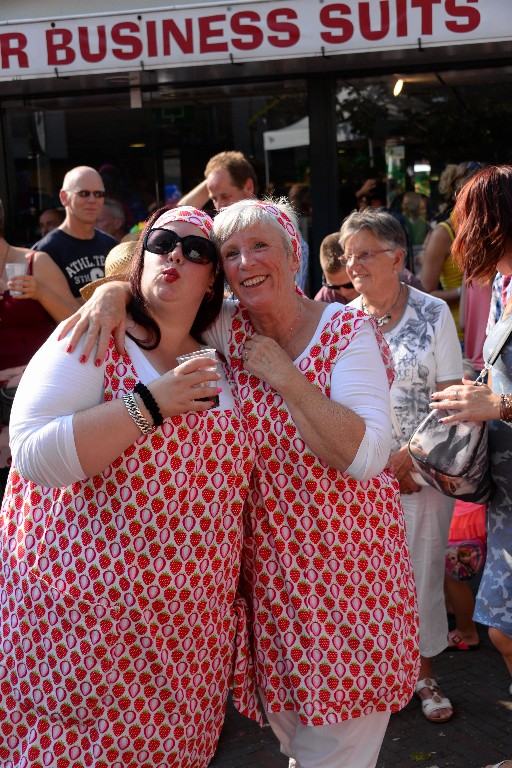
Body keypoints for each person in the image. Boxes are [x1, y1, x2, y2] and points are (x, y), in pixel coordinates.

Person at [59, 197, 419, 768]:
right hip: (267, 585)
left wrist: (285, 376)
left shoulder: (346, 330)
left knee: (340, 745)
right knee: (296, 740)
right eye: (230, 253)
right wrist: (110, 292)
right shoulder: (228, 325)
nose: (246, 261)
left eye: (260, 247)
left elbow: (367, 456)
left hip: (346, 580)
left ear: (292, 254)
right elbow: (160, 288)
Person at [0, 206, 261, 768]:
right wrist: (149, 404)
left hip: (188, 636)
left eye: (197, 251)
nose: (177, 256)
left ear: (214, 275)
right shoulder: (96, 334)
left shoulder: (225, 349)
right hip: (89, 630)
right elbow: (34, 455)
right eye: (164, 242)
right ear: (141, 255)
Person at [340, 207, 463, 724]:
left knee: (421, 573)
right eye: (348, 257)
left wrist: (409, 457)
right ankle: (378, 677)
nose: (354, 266)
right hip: (361, 477)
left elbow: (451, 398)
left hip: (421, 474)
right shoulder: (344, 322)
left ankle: (424, 675)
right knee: (366, 580)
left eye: (364, 254)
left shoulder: (434, 314)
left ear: (396, 257)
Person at [430, 164, 512, 711]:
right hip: (508, 488)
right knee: (503, 628)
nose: (458, 239)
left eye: (467, 222)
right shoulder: (504, 281)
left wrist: (498, 404)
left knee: (503, 628)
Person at [0, 198, 80, 499]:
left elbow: (75, 317)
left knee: (32, 486)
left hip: (33, 393)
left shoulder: (35, 261)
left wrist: (39, 291)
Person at [178, 150, 310, 292]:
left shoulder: (285, 233)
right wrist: (214, 174)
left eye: (226, 196)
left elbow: (287, 299)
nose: (219, 206)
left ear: (248, 186)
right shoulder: (219, 237)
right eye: (214, 199)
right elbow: (179, 214)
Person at [418, 161, 485, 340]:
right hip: (459, 337)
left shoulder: (488, 227)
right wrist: (462, 292)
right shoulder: (443, 233)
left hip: (490, 334)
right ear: (461, 194)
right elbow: (425, 294)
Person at [32, 165, 118, 298]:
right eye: (84, 193)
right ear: (64, 197)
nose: (92, 200)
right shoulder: (45, 251)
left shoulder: (111, 245)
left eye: (98, 194)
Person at [314, 231, 359, 304]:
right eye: (334, 287)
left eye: (349, 285)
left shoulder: (379, 288)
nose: (343, 292)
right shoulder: (323, 302)